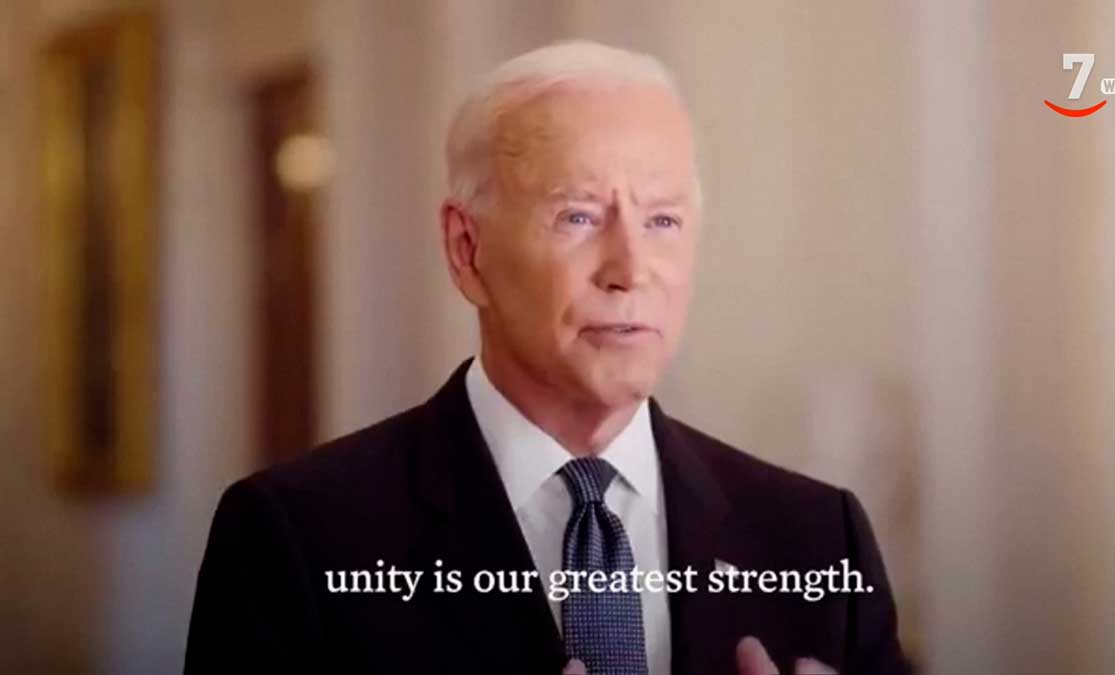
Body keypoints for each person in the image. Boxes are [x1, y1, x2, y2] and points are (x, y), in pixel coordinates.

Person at [184, 41, 908, 675]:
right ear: (467, 250)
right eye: (578, 216)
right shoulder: (295, 538)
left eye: (661, 220)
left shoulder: (818, 539)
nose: (629, 269)